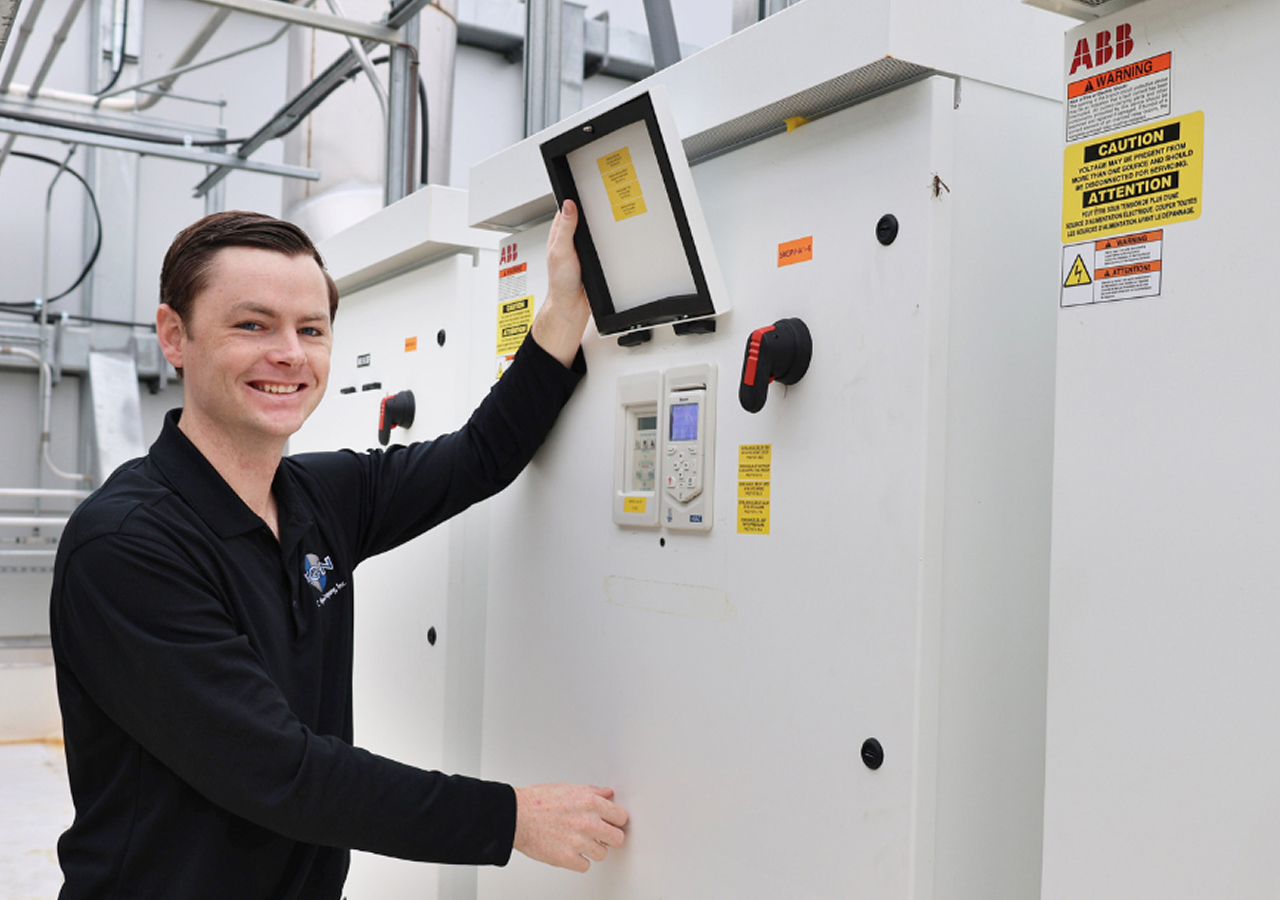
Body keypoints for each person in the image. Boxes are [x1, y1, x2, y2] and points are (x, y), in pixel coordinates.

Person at [48, 202, 627, 900]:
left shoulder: (318, 496)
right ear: (176, 336)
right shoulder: (126, 548)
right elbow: (282, 774)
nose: (289, 353)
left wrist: (564, 309)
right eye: (252, 325)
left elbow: (478, 457)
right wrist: (510, 818)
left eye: (311, 329)